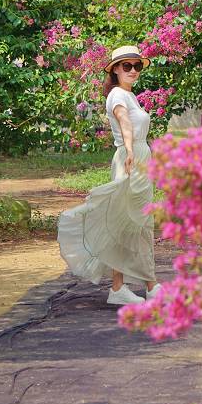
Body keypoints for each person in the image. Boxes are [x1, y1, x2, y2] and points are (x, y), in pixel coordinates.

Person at [58, 45, 161, 306]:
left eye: (137, 66)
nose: (133, 70)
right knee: (132, 223)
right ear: (115, 69)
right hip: (131, 159)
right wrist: (129, 150)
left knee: (135, 223)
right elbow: (124, 123)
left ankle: (121, 288)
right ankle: (149, 286)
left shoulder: (130, 95)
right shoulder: (117, 95)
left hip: (140, 159)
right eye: (127, 65)